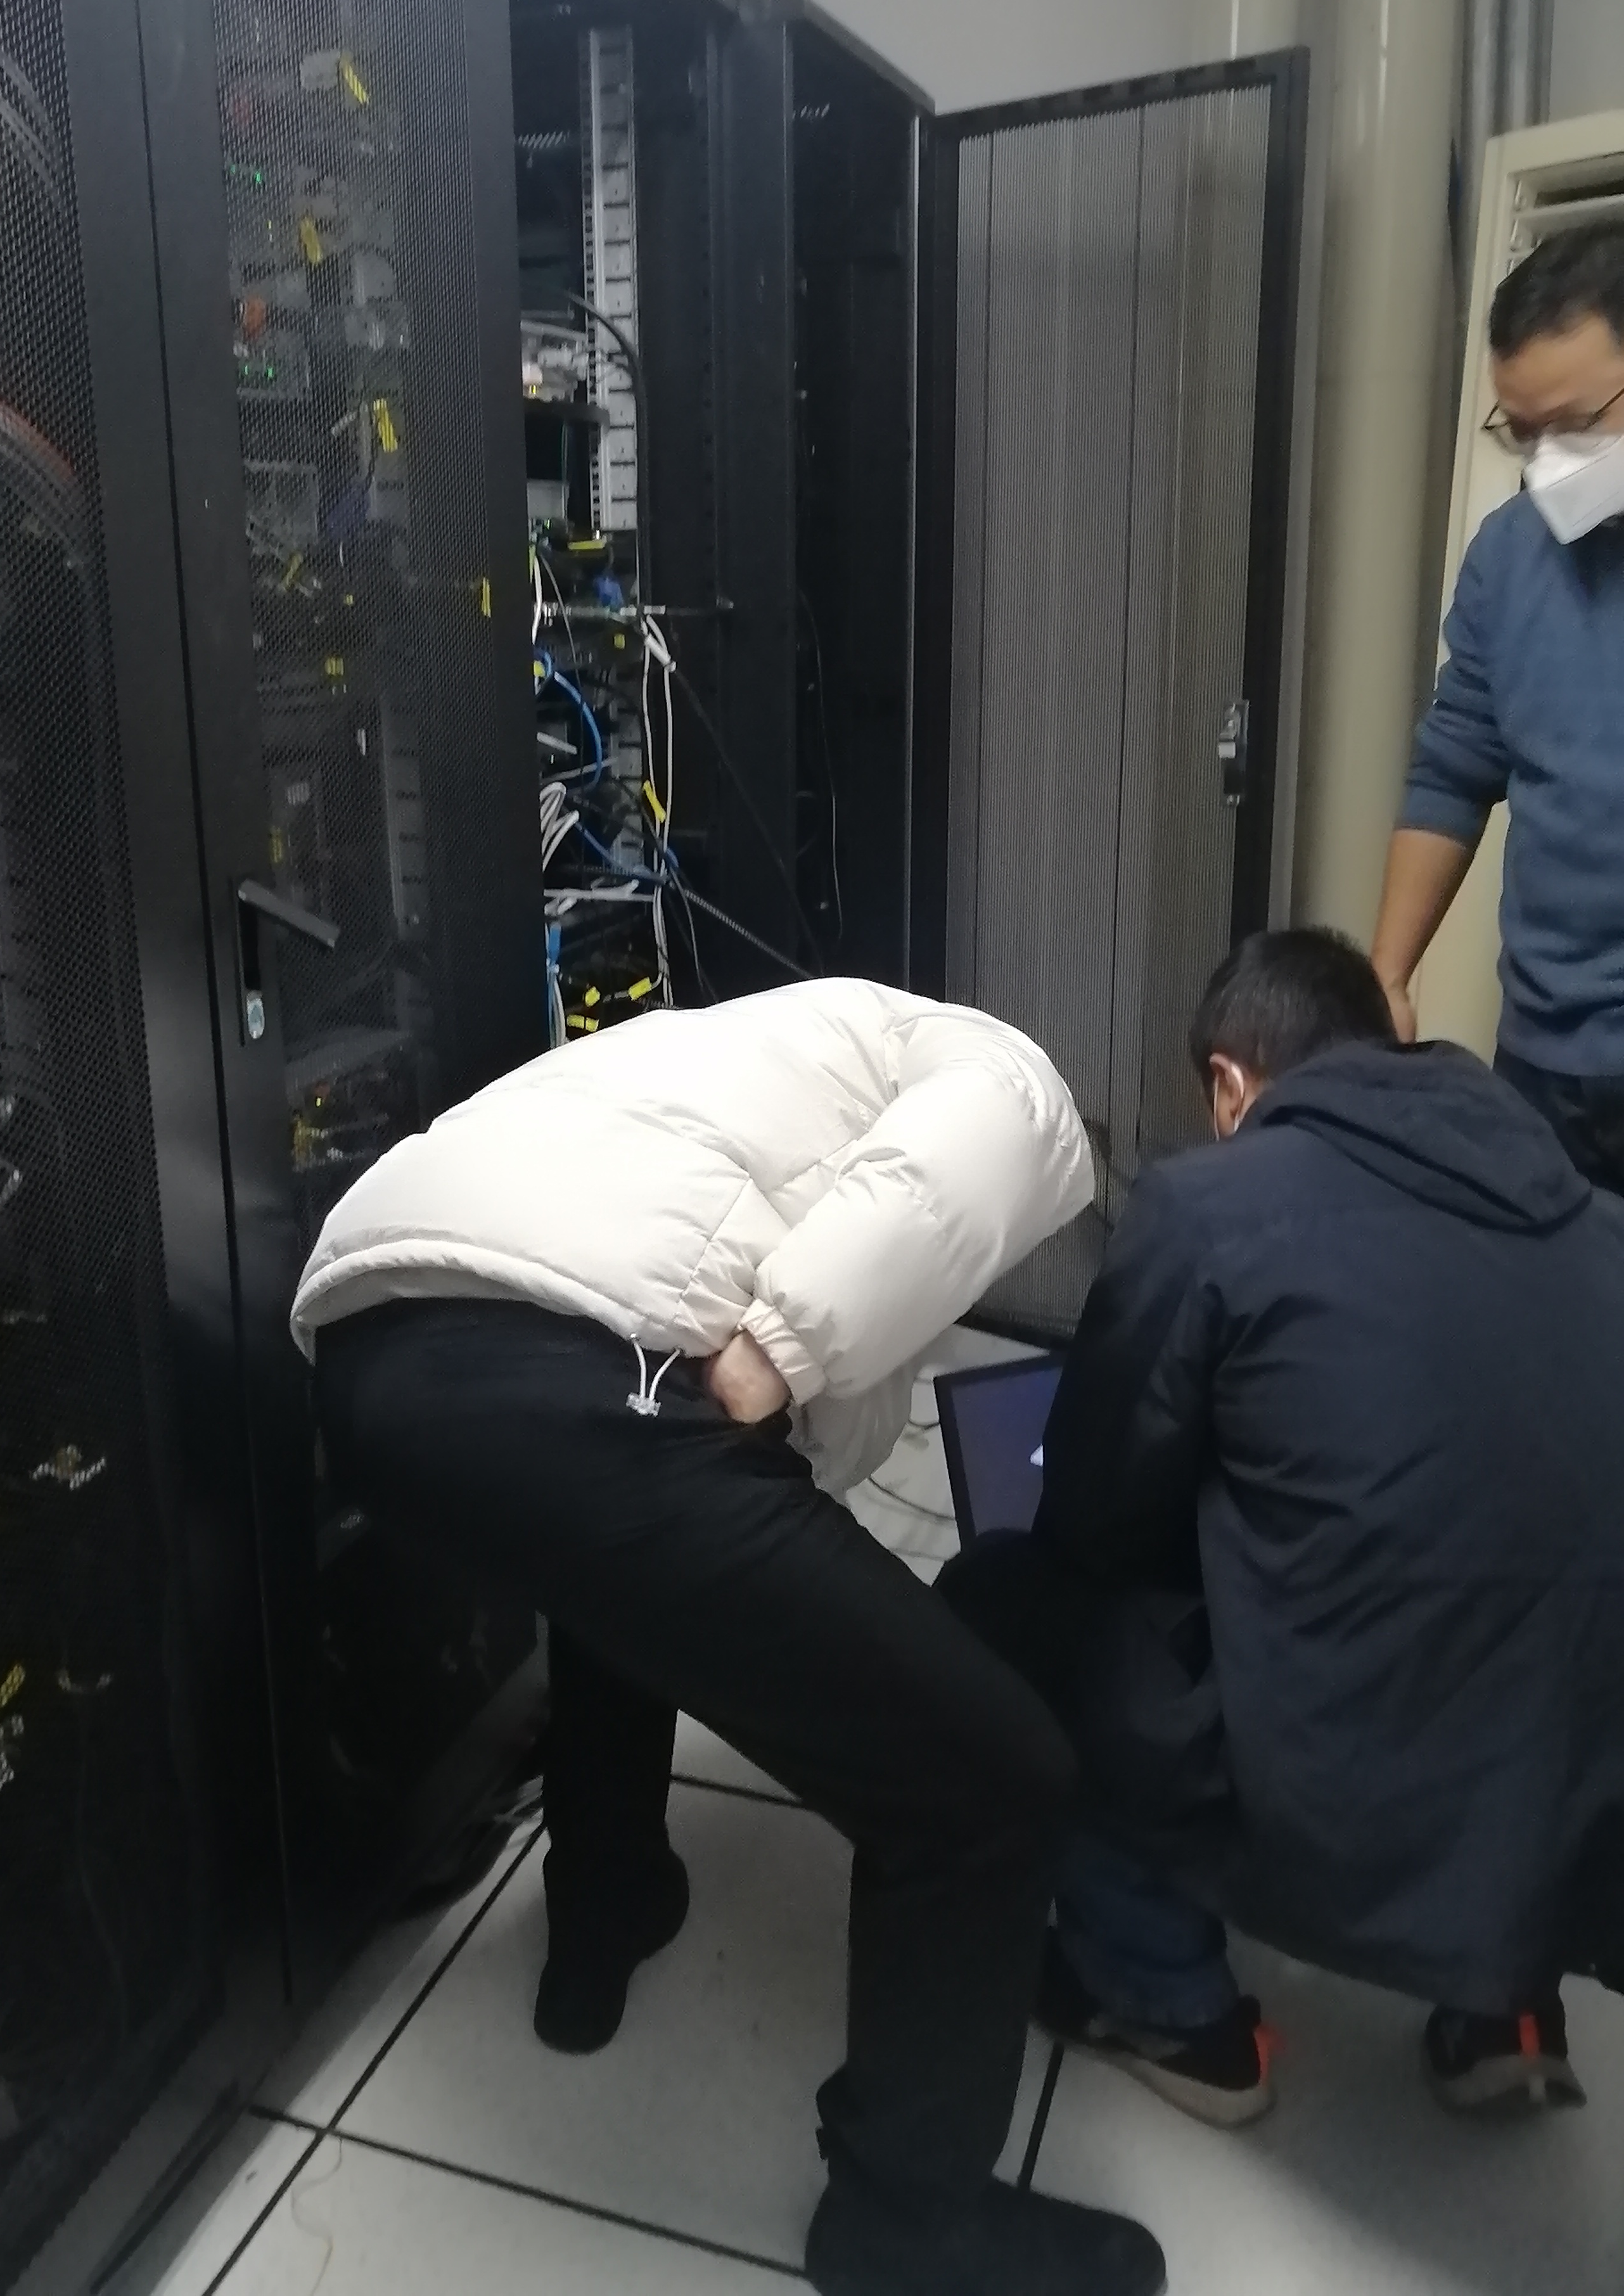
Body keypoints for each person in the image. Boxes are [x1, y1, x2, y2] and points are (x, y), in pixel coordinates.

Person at [294, 979, 1165, 2296]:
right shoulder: (998, 1066)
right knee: (992, 1780)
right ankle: (904, 2226)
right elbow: (932, 1188)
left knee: (623, 1580)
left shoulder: (731, 1045)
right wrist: (776, 1358)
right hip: (588, 1388)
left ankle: (604, 1915)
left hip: (374, 1374)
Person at [942, 930, 1624, 2129]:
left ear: (1230, 1085)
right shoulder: (1594, 1215)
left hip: (1357, 1787)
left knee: (1012, 1601)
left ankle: (1167, 2003)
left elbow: (1096, 1519)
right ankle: (1505, 2011)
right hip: (1580, 1794)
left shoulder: (1210, 1205)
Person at [1373, 222, 1624, 1192]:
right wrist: (1389, 973)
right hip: (1543, 1057)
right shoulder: (1509, 554)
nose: (1546, 460)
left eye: (1571, 425)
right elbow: (1453, 768)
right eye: (1522, 432)